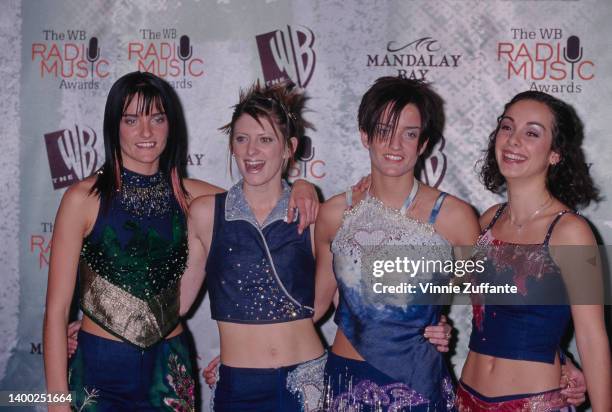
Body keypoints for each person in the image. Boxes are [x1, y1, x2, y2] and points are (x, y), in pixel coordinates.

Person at [44, 71, 318, 411]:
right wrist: (56, 402)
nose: (146, 132)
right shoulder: (82, 199)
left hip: (169, 368)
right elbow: (56, 312)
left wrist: (303, 186)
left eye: (157, 118)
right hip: (99, 369)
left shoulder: (197, 199)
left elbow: (265, 197)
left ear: (171, 124)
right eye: (131, 119)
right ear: (114, 125)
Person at [313, 76, 480, 411]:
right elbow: (315, 306)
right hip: (345, 379)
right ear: (365, 135)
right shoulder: (334, 213)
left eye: (410, 133)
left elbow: (495, 306)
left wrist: (557, 361)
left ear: (423, 144)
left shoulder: (454, 217)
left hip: (418, 382)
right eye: (384, 130)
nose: (395, 144)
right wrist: (245, 354)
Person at [458, 91, 612, 410]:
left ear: (555, 153)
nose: (513, 140)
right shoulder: (487, 220)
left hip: (533, 404)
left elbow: (592, 338)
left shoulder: (571, 232)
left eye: (531, 133)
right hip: (466, 398)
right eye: (507, 127)